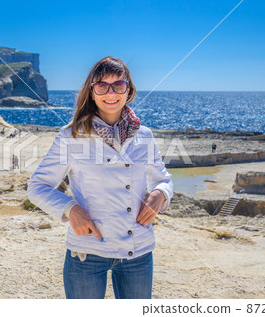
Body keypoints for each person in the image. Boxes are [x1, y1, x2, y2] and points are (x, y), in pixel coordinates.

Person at [27, 57, 173, 299]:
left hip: (137, 251)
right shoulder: (70, 136)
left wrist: (160, 195)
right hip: (86, 253)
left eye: (118, 85)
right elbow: (37, 187)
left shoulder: (144, 136)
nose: (111, 92)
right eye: (102, 86)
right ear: (92, 92)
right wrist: (70, 208)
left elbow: (163, 179)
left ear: (129, 90)